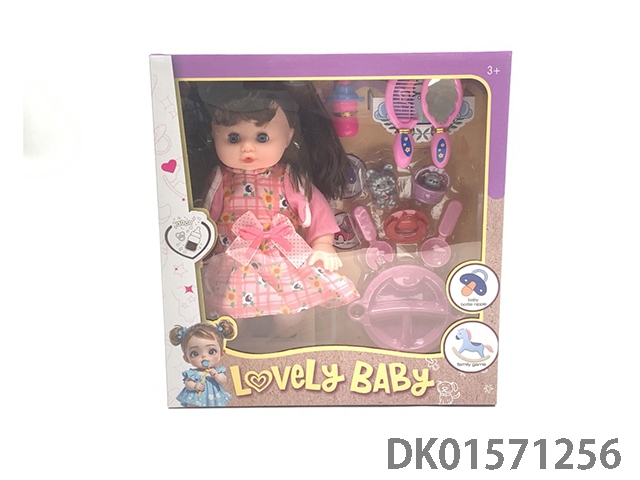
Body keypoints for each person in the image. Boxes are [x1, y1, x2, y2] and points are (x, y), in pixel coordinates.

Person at [196, 81, 359, 335]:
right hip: (236, 257)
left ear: (289, 137)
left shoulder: (288, 177)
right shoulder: (221, 180)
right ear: (214, 137)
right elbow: (205, 219)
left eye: (262, 137)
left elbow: (315, 209)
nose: (247, 147)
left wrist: (323, 244)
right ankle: (236, 346)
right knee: (231, 313)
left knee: (290, 312)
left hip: (281, 256)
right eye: (233, 138)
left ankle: (289, 341)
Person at [169, 319, 236, 407]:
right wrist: (194, 386)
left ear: (222, 353)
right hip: (195, 399)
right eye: (195, 353)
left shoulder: (218, 371)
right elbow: (187, 383)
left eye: (211, 351)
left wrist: (216, 376)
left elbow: (223, 380)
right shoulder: (193, 373)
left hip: (214, 400)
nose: (204, 356)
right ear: (186, 358)